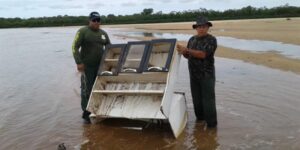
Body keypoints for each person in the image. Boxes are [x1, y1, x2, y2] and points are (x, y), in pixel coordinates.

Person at [177, 16, 218, 128]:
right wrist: (183, 52)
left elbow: (203, 54)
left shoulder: (211, 40)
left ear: (208, 27)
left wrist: (187, 50)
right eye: (199, 27)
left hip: (207, 75)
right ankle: (200, 121)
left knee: (208, 100)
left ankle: (212, 125)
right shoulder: (192, 39)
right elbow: (188, 55)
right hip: (193, 75)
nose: (201, 29)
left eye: (204, 27)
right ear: (196, 28)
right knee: (196, 99)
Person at [72, 11, 111, 123]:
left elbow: (109, 47)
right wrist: (78, 62)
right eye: (94, 20)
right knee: (86, 89)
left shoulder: (103, 33)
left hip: (101, 66)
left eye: (98, 20)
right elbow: (74, 47)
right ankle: (86, 112)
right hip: (87, 66)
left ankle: (99, 107)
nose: (96, 22)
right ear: (89, 21)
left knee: (99, 87)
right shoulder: (83, 31)